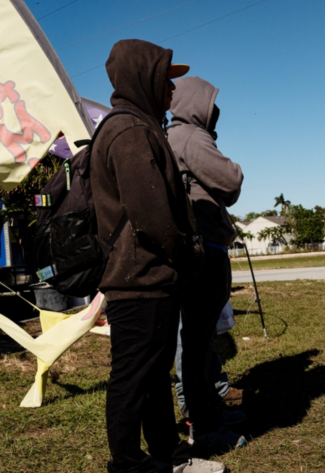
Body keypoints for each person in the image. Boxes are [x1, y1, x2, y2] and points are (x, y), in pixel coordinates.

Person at [90, 39, 224, 473]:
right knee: (132, 378)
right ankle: (128, 464)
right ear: (145, 78)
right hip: (139, 279)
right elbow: (151, 214)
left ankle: (167, 454)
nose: (172, 90)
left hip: (149, 277)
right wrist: (186, 252)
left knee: (152, 376)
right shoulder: (129, 131)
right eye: (167, 79)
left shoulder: (139, 126)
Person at [167, 76, 246, 451]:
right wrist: (235, 167)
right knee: (196, 348)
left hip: (196, 251)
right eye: (212, 104)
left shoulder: (173, 136)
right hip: (207, 252)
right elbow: (230, 182)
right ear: (197, 104)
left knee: (197, 344)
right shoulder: (192, 137)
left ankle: (208, 412)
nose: (216, 112)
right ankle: (206, 427)